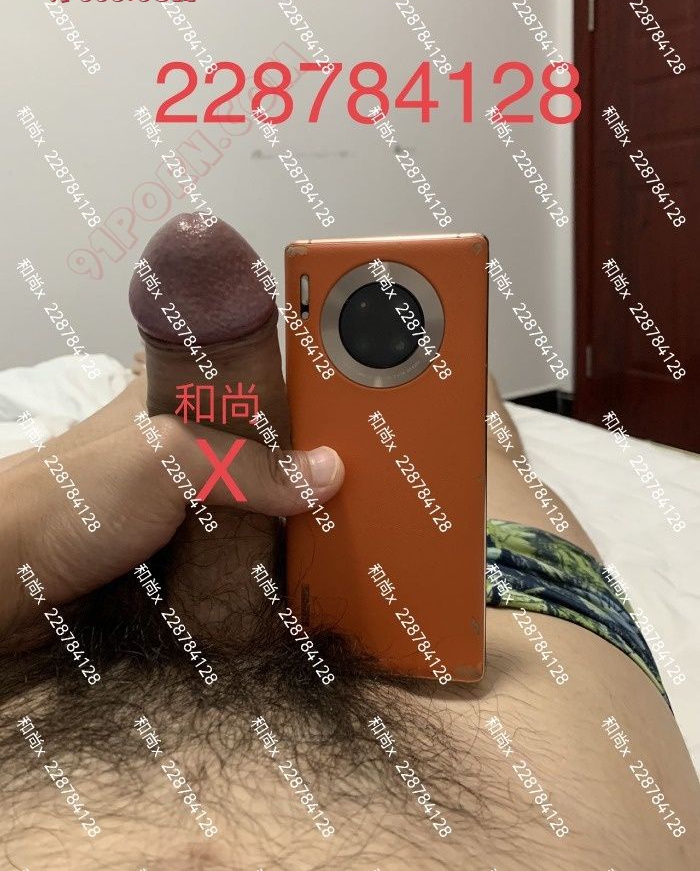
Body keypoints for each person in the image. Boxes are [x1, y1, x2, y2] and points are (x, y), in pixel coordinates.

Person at [1, 215, 697, 871]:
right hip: (522, 695)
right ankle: (461, 397)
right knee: (480, 448)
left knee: (150, 447)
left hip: (52, 647)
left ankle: (151, 409)